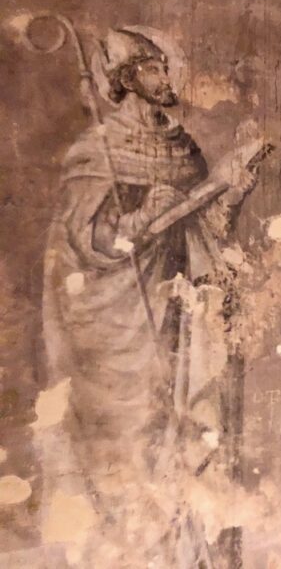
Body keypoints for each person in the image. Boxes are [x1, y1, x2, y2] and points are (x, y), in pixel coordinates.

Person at [39, 27, 258, 564]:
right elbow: (88, 242)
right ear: (127, 78)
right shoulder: (98, 151)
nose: (167, 76)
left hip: (181, 309)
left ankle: (186, 552)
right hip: (123, 317)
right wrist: (141, 218)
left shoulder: (183, 147)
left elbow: (205, 229)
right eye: (154, 68)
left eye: (165, 65)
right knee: (138, 431)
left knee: (186, 421)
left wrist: (231, 195)